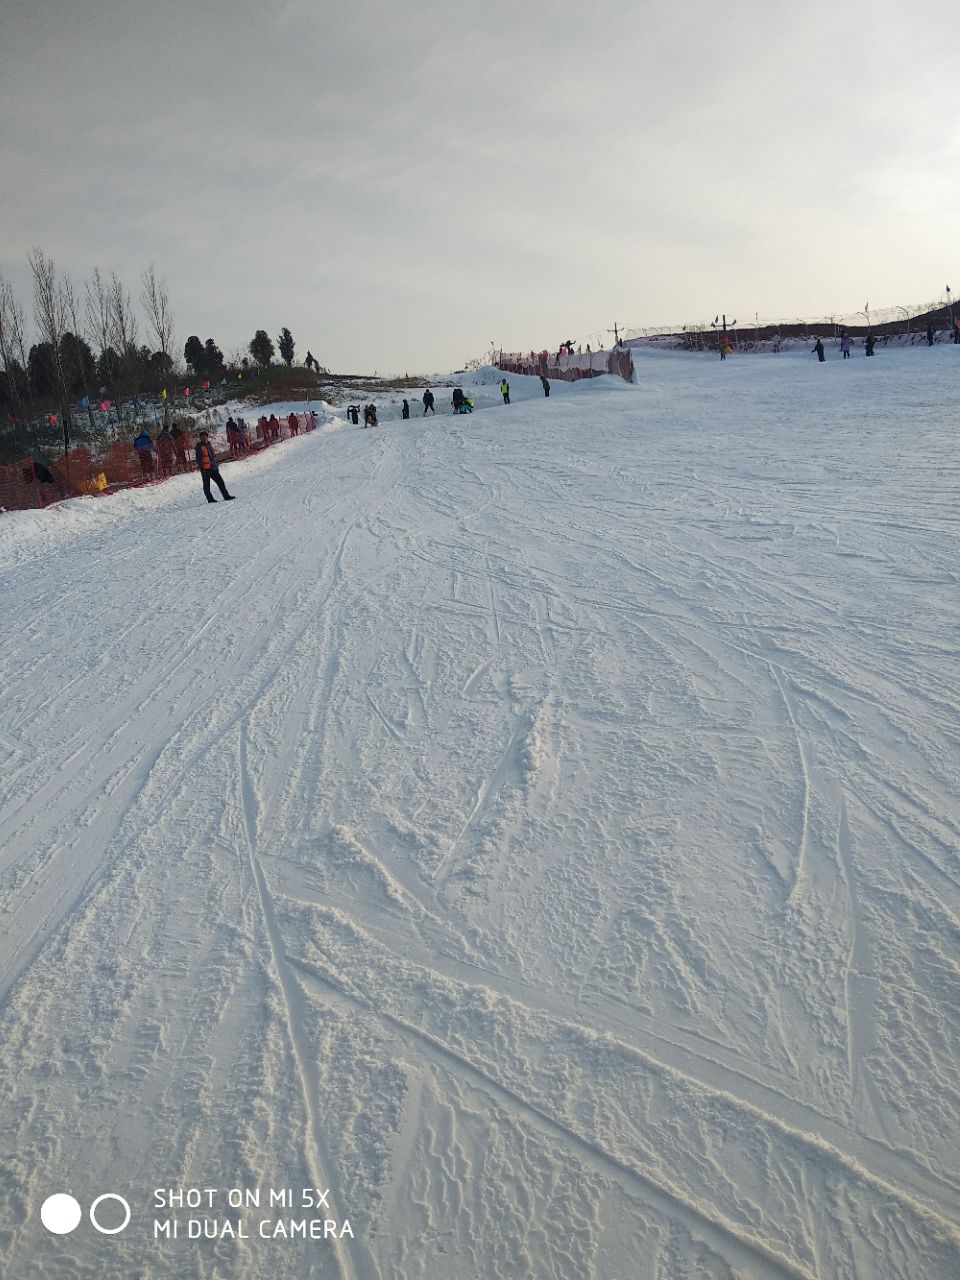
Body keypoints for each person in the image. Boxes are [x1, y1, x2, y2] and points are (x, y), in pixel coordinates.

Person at [195, 429, 235, 502]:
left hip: (213, 468)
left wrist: (216, 466)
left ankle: (226, 496)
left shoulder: (209, 445)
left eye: (205, 437)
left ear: (207, 437)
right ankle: (210, 499)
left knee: (221, 482)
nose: (203, 439)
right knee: (207, 486)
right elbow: (199, 459)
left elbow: (213, 456)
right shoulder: (199, 447)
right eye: (202, 437)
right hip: (206, 469)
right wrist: (202, 469)